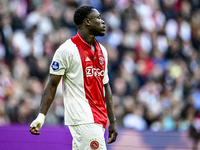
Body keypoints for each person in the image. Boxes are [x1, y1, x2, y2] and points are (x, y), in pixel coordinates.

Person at [29, 5, 118, 150]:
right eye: (99, 18)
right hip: (82, 118)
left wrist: (112, 121)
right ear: (87, 22)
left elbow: (105, 86)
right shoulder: (67, 50)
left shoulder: (102, 51)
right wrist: (41, 116)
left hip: (99, 120)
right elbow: (52, 84)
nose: (103, 22)